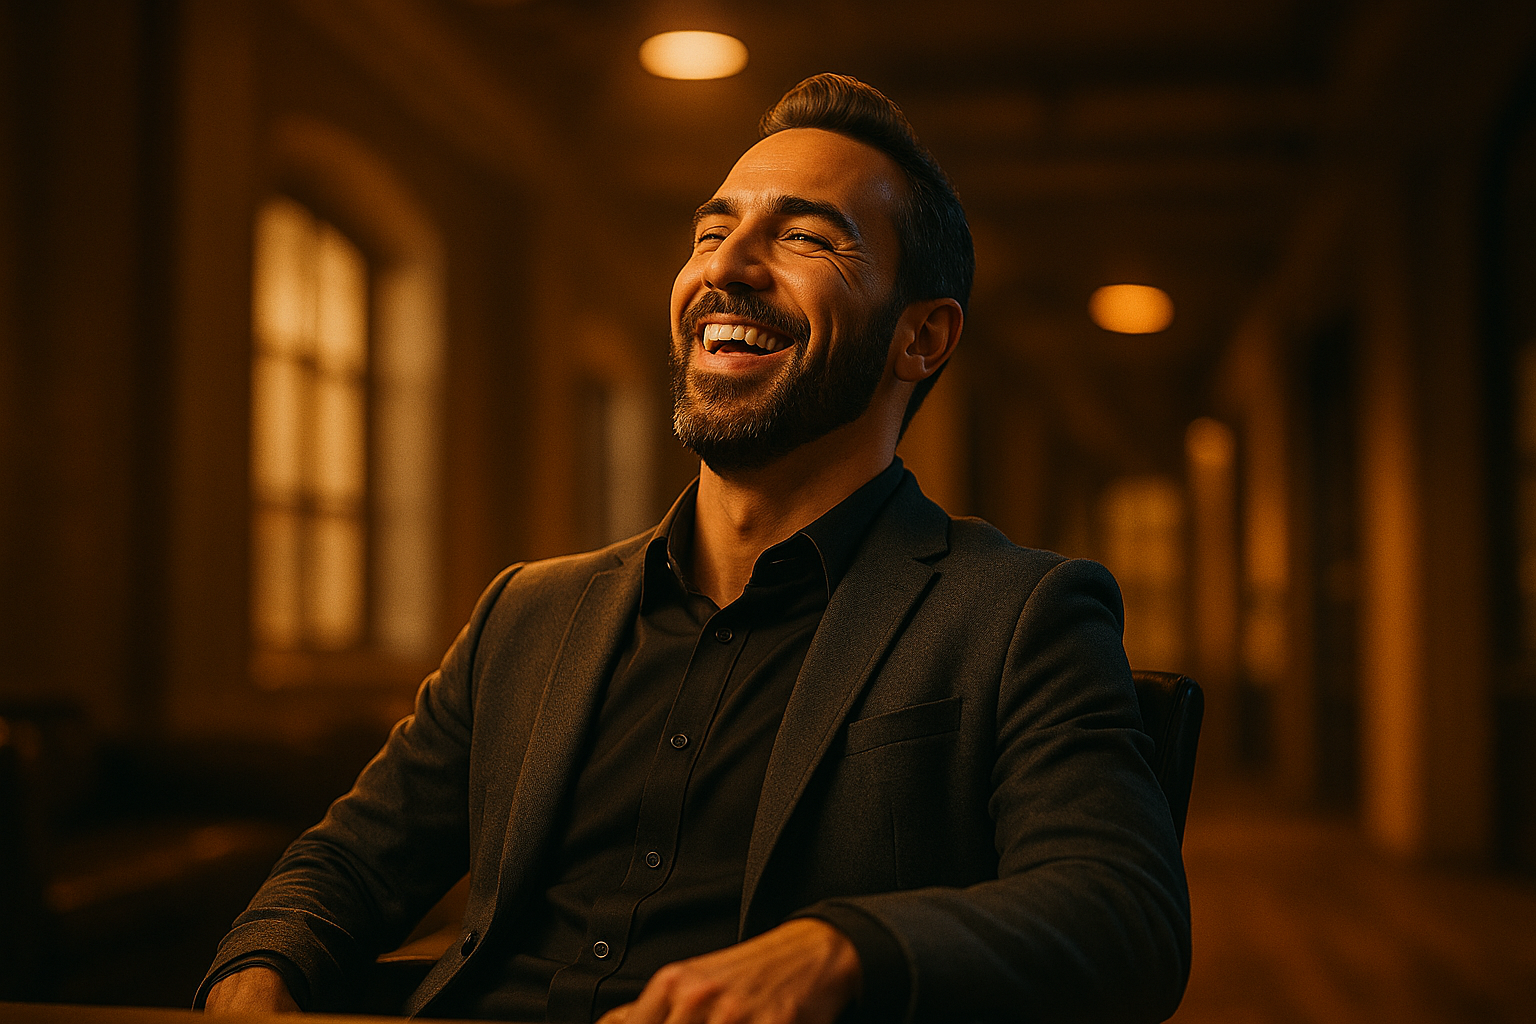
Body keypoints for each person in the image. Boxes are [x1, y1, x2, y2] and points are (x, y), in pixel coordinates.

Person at [199, 73, 1190, 1024]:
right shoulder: (526, 613)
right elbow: (348, 864)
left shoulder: (1019, 615)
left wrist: (839, 949)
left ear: (921, 338)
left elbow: (1123, 914)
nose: (726, 266)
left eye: (804, 237)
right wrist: (259, 969)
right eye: (712, 232)